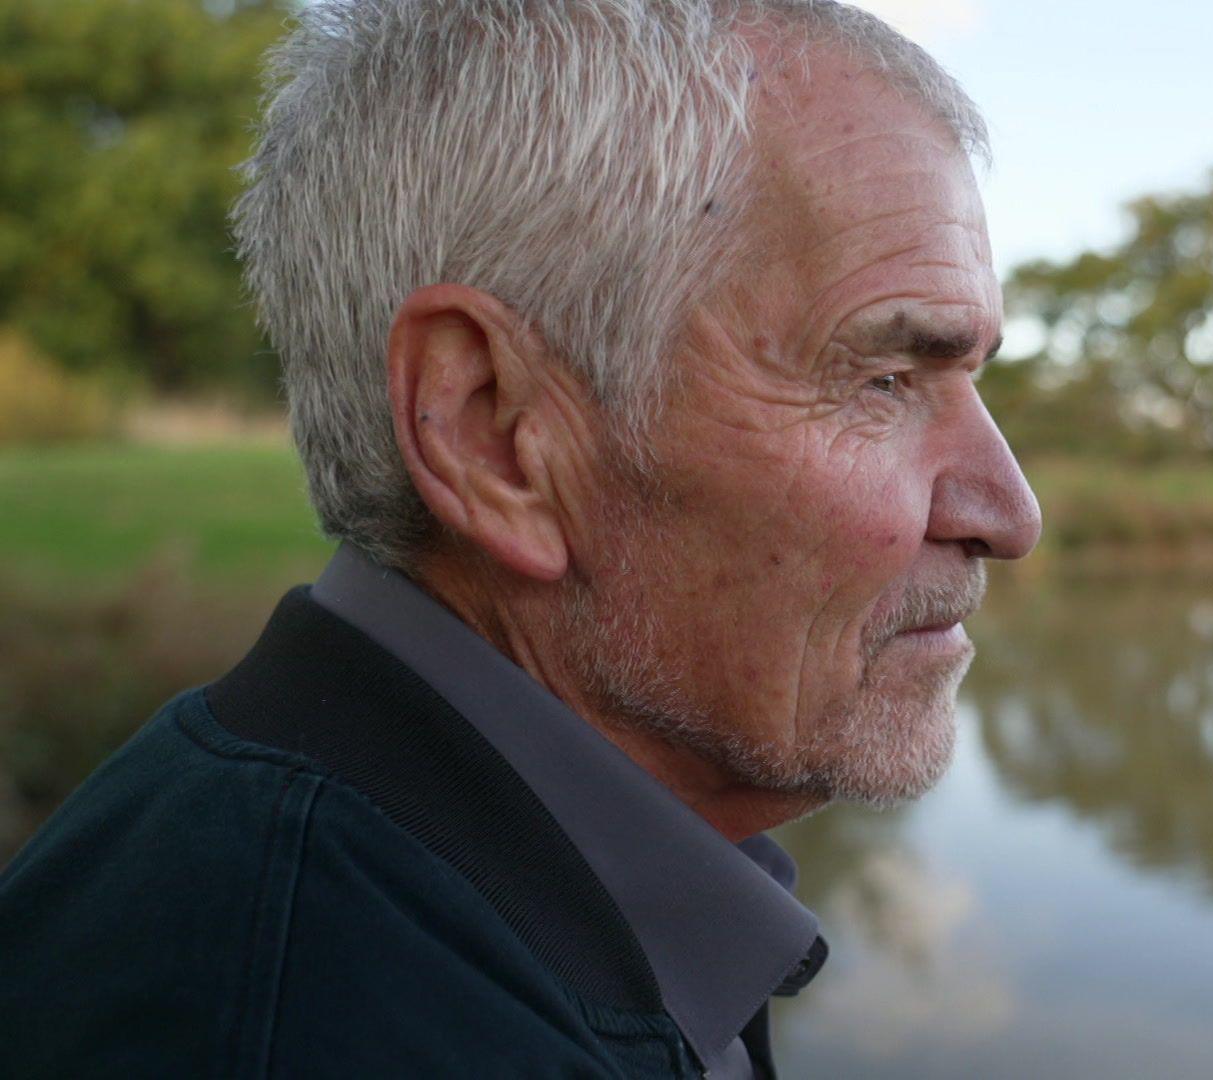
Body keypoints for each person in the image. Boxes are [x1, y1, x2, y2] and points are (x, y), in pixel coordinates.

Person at [0, 1, 1040, 1076]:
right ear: (497, 434)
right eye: (882, 378)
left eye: (972, 377)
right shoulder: (320, 1025)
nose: (1009, 515)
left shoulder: (425, 888)